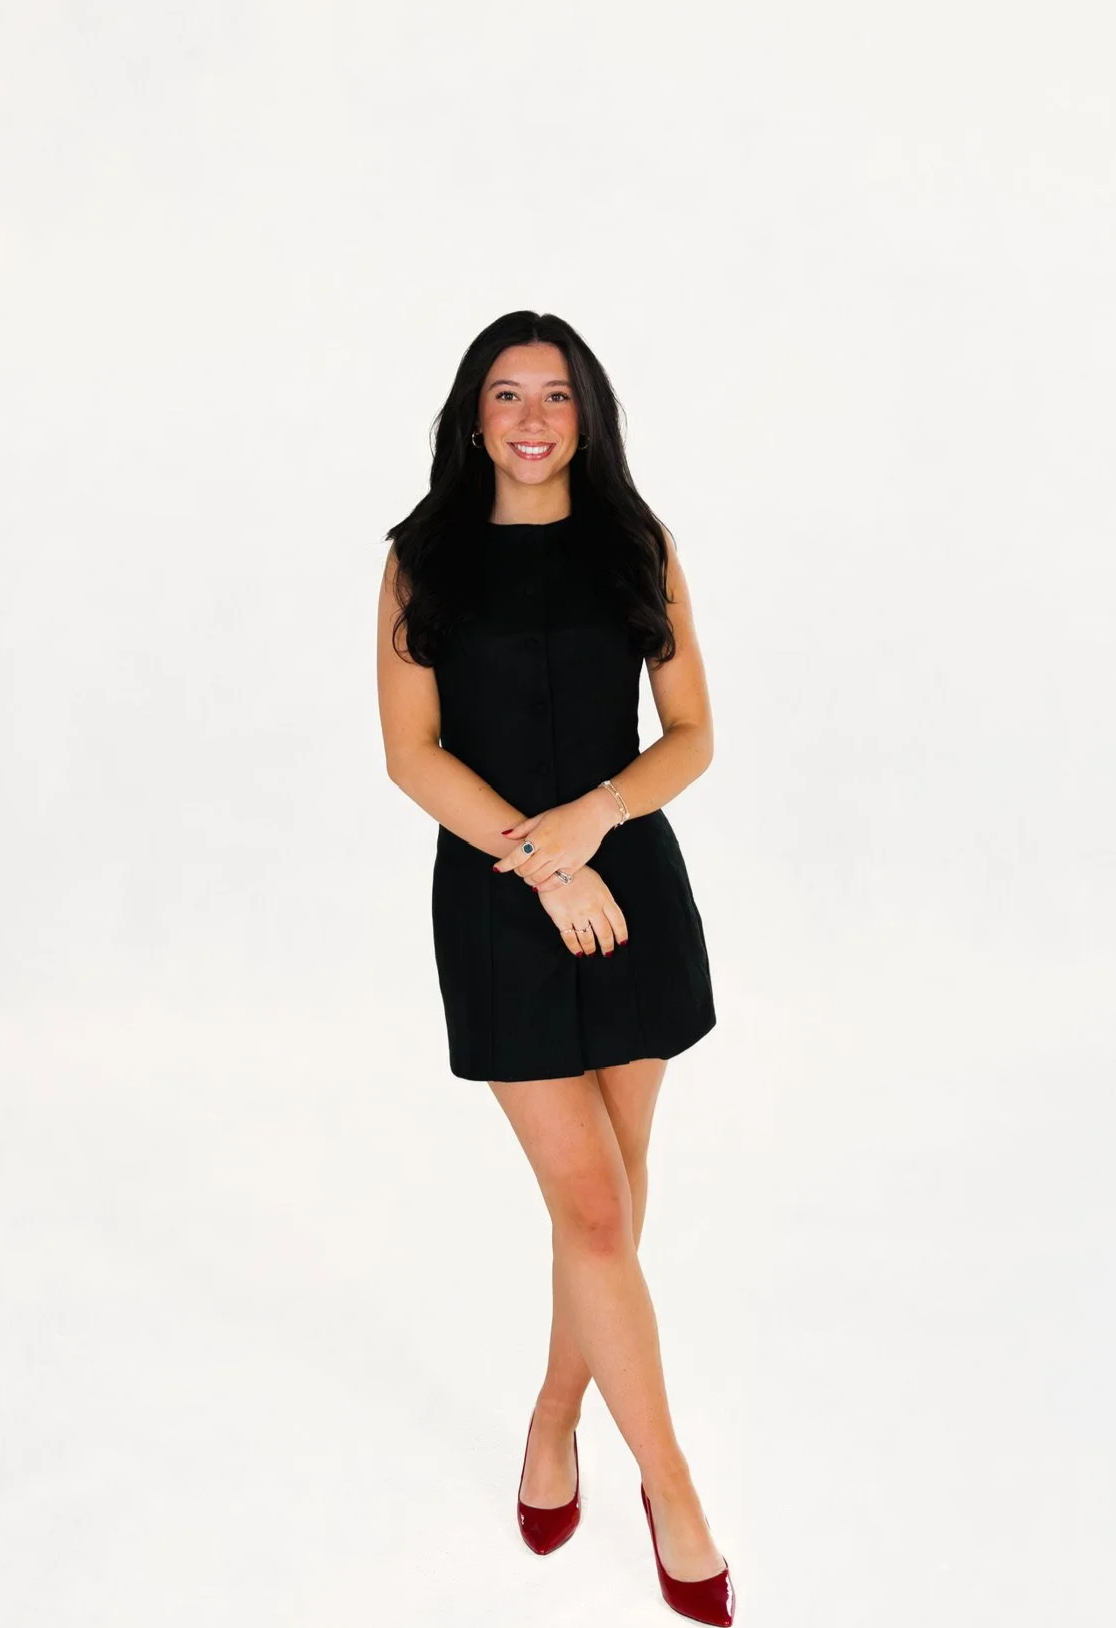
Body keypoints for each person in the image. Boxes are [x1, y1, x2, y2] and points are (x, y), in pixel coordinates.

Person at [376, 310, 736, 1626]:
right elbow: (411, 755)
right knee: (591, 1210)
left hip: (633, 892)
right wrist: (545, 858)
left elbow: (692, 736)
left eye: (557, 397)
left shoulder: (641, 548)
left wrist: (597, 823)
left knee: (611, 1210)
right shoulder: (421, 561)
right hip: (495, 900)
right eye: (506, 395)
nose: (532, 419)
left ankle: (552, 1413)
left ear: (590, 415)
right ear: (472, 417)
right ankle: (674, 1488)